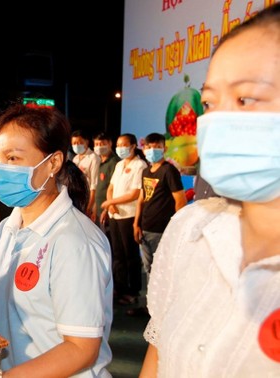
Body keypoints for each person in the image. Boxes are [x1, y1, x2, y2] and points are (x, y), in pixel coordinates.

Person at [140, 4, 280, 376]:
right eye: (209, 103)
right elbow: (157, 357)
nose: (216, 121)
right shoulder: (191, 228)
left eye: (245, 99)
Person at [0, 103, 113, 377]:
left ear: (53, 162)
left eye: (13, 158)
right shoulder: (7, 229)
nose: (0, 169)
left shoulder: (74, 241)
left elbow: (81, 348)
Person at [128, 132, 186, 317]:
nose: (152, 150)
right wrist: (136, 223)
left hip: (163, 231)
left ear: (164, 148)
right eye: (149, 147)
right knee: (149, 270)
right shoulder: (146, 171)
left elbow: (180, 200)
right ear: (144, 149)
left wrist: (176, 228)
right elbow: (142, 199)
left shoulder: (169, 171)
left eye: (157, 147)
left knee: (163, 271)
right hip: (145, 229)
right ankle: (151, 307)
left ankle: (163, 310)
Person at [100, 133, 147, 306]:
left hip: (129, 215)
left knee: (130, 255)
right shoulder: (119, 164)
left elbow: (135, 193)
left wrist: (111, 202)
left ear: (133, 146)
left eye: (124, 145)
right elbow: (110, 187)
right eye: (118, 145)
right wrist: (110, 204)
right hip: (115, 214)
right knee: (117, 254)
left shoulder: (139, 165)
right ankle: (119, 288)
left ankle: (133, 290)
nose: (120, 148)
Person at [71, 130, 100, 220]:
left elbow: (94, 184)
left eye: (79, 142)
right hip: (76, 198)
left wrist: (89, 207)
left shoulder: (93, 158)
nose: (77, 145)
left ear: (86, 142)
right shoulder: (75, 159)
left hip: (89, 200)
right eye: (74, 143)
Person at [93, 132, 120, 227]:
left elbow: (114, 188)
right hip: (99, 209)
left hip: (109, 210)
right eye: (96, 144)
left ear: (110, 144)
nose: (99, 147)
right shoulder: (99, 162)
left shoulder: (114, 162)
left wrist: (107, 208)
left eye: (102, 144)